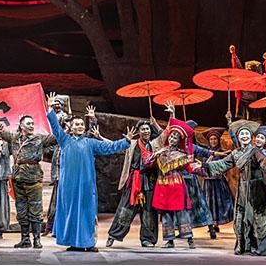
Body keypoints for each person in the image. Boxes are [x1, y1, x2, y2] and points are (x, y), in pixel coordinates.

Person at [47, 92, 133, 252]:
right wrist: (50, 109)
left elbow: (109, 147)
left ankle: (88, 243)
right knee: (71, 213)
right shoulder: (64, 141)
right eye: (76, 124)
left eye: (81, 124)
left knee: (87, 213)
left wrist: (125, 141)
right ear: (71, 127)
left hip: (86, 185)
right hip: (68, 186)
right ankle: (74, 242)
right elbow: (55, 127)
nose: (80, 126)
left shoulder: (90, 143)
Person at [203, 119, 266, 256]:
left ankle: (261, 247)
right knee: (241, 218)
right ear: (238, 137)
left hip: (258, 188)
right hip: (243, 189)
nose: (244, 136)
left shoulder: (254, 151)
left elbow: (262, 159)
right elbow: (222, 164)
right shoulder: (235, 153)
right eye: (242, 134)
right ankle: (243, 245)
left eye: (247, 134)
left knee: (258, 219)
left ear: (250, 136)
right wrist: (204, 166)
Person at [0, 99, 58, 249]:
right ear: (21, 125)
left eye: (33, 123)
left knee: (35, 210)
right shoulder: (14, 138)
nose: (31, 126)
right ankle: (25, 239)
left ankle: (37, 239)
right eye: (28, 124)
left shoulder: (39, 139)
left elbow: (56, 137)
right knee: (21, 211)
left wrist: (52, 112)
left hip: (33, 179)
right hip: (18, 179)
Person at [146, 118, 203, 249]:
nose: (172, 139)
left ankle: (189, 239)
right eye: (171, 136)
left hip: (176, 185)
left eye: (175, 138)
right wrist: (156, 154)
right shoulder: (161, 151)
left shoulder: (181, 154)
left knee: (181, 213)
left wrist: (202, 168)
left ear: (178, 141)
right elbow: (148, 163)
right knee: (166, 214)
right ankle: (169, 240)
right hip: (163, 185)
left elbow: (190, 167)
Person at [106, 120, 160, 248]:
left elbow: (166, 134)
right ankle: (113, 235)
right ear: (139, 132)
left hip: (149, 181)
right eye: (143, 129)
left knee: (148, 211)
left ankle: (147, 239)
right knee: (125, 209)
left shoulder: (155, 144)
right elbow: (114, 145)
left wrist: (170, 116)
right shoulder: (132, 144)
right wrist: (99, 137)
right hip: (134, 181)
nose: (146, 131)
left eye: (147, 129)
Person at [200, 127, 235, 240]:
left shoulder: (223, 152)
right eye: (211, 139)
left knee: (221, 204)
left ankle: (216, 224)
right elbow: (204, 166)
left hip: (219, 182)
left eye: (215, 139)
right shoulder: (206, 153)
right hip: (208, 183)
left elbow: (226, 166)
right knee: (208, 204)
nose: (213, 141)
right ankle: (211, 227)